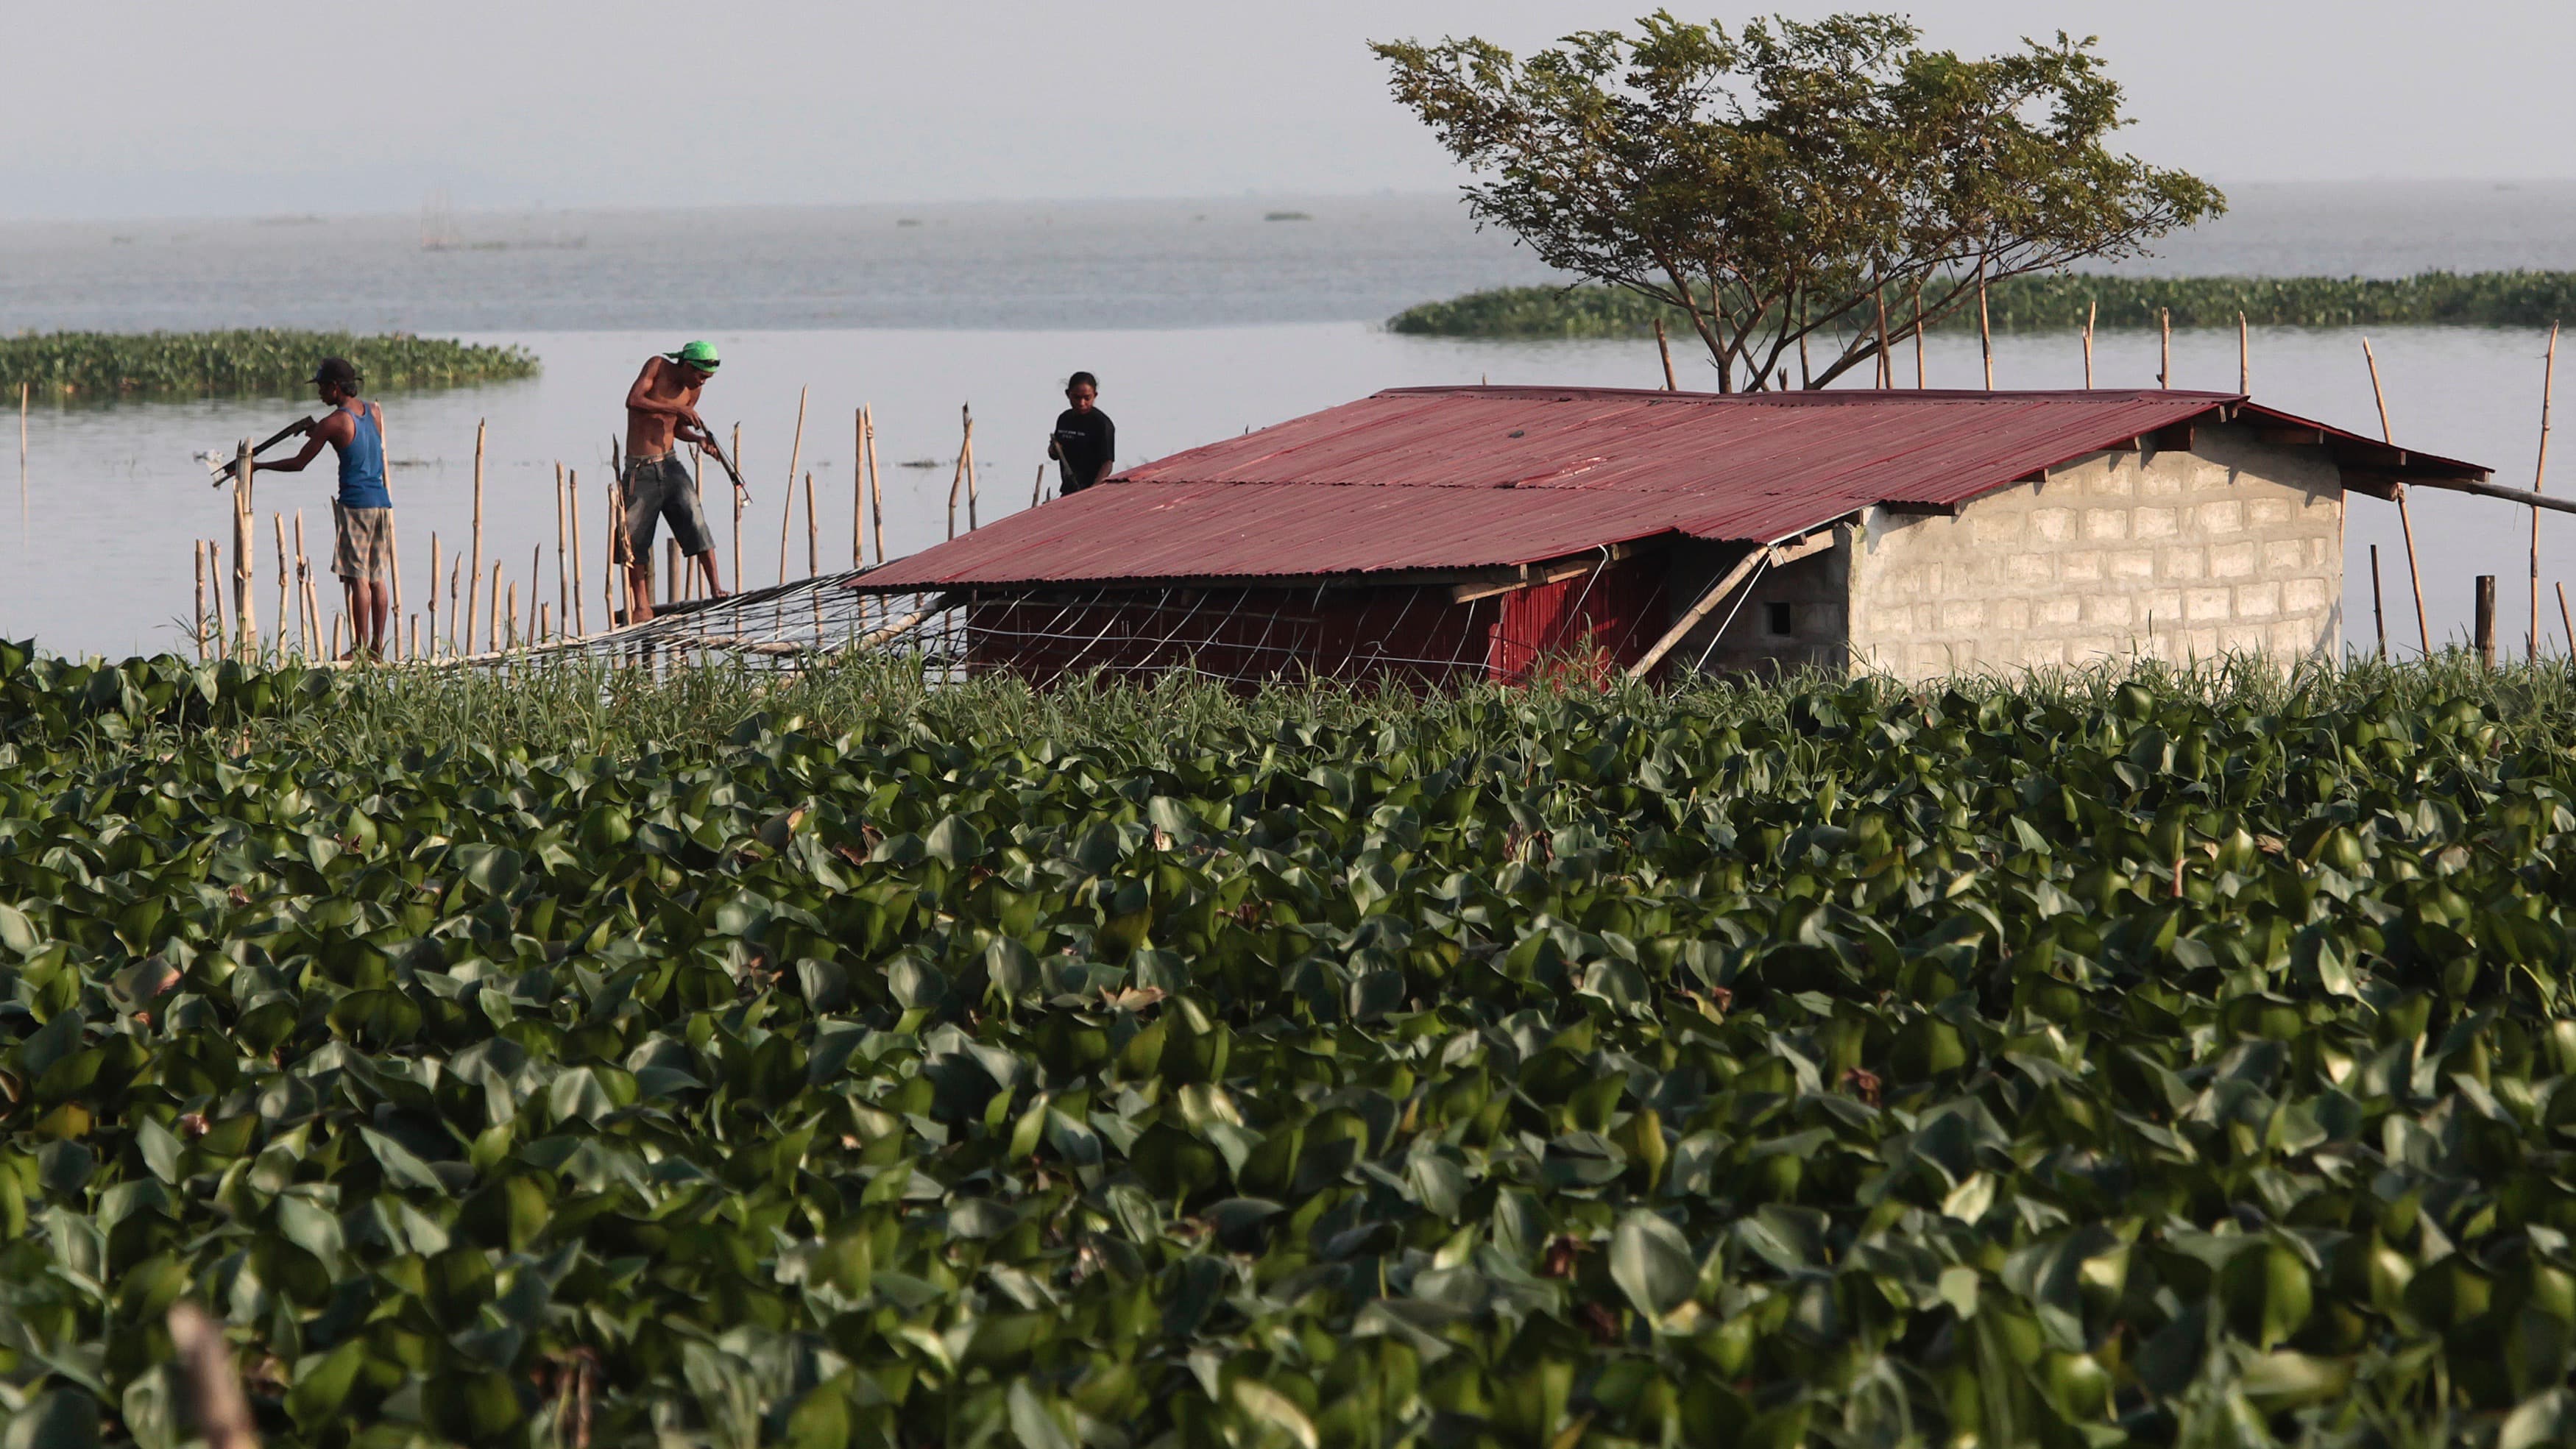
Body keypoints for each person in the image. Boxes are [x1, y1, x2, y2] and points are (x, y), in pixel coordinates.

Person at [250, 357, 393, 658]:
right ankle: (378, 649)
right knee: (378, 577)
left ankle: (359, 649)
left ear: (336, 388)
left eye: (322, 388)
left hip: (355, 506)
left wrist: (258, 466)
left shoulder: (334, 422)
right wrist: (320, 432)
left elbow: (299, 463)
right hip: (381, 502)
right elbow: (355, 442)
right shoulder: (374, 412)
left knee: (359, 578)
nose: (319, 394)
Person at [621, 340, 736, 621]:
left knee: (695, 520)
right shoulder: (657, 366)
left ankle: (717, 587)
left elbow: (678, 428)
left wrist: (698, 440)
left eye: (707, 379)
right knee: (635, 539)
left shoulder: (693, 390)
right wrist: (677, 410)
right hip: (641, 469)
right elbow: (633, 401)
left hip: (671, 465)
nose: (702, 383)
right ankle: (641, 605)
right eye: (700, 376)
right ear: (686, 365)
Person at [1048, 371, 1116, 496]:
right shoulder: (1064, 419)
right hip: (1068, 491)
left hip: (1090, 492)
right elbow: (1054, 455)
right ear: (1068, 394)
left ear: (1095, 396)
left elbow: (1107, 463)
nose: (1082, 403)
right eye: (1077, 397)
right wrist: (1054, 449)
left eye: (1087, 398)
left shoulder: (1102, 423)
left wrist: (1094, 489)